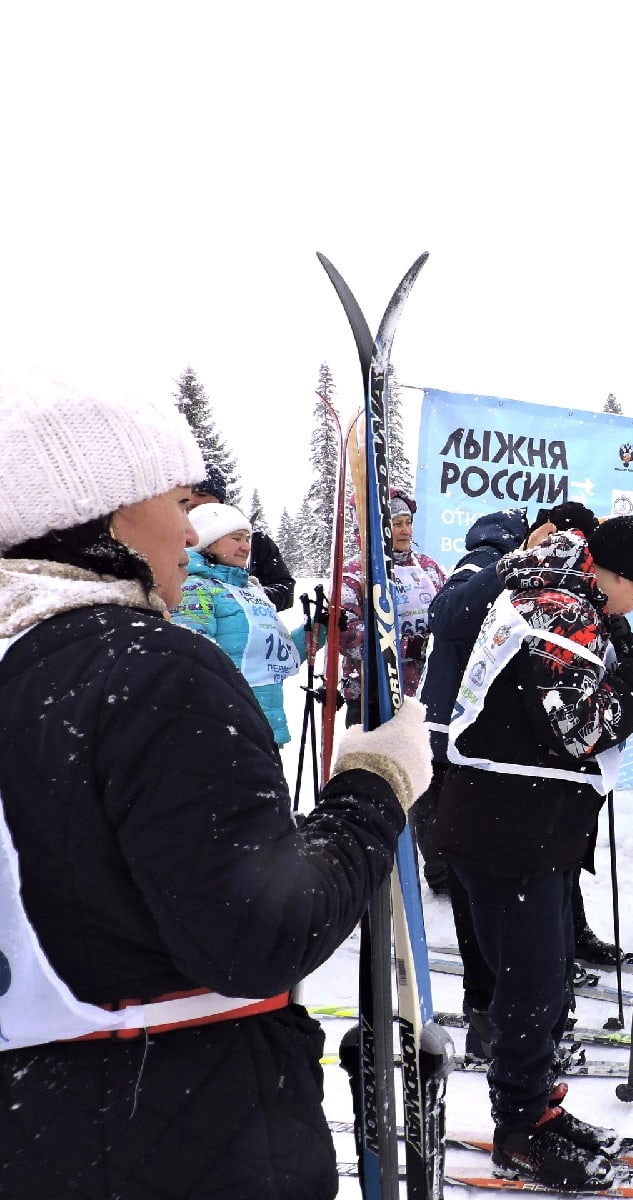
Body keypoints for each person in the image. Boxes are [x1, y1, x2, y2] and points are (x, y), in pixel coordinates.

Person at [0, 379, 426, 1199]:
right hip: (178, 1134)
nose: (186, 529)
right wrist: (375, 789)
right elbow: (257, 934)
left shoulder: (31, 664)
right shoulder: (148, 667)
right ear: (111, 510)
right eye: (176, 500)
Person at [434, 516, 633, 1190]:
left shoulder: (559, 597)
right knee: (532, 983)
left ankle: (535, 1106)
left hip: (519, 818)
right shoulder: (559, 607)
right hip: (509, 822)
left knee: (542, 978)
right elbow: (583, 729)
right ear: (619, 576)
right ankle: (520, 1127)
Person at [171, 501, 308, 745]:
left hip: (268, 731)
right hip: (227, 733)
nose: (246, 546)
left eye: (247, 538)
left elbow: (278, 656)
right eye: (236, 538)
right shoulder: (196, 588)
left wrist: (319, 627)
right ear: (208, 541)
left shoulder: (252, 590)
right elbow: (195, 663)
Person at [338, 489, 446, 711]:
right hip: (373, 696)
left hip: (424, 692)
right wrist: (408, 647)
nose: (406, 530)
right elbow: (347, 635)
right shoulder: (355, 572)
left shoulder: (428, 567)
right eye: (397, 524)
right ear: (380, 528)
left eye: (408, 522)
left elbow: (447, 612)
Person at [190, 462, 297, 612]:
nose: (192, 500)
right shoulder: (168, 537)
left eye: (201, 494)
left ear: (220, 500)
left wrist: (250, 596)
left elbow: (285, 589)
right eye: (187, 494)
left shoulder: (256, 541)